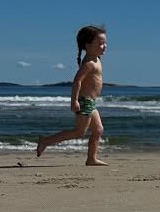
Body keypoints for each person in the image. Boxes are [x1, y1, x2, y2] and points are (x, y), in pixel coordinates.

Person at [36, 25, 108, 166]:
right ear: (88, 45)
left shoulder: (96, 59)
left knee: (98, 130)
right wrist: (74, 100)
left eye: (105, 43)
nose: (104, 46)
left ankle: (91, 158)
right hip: (84, 101)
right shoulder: (88, 63)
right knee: (78, 132)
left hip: (90, 102)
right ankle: (46, 141)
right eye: (100, 43)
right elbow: (77, 81)